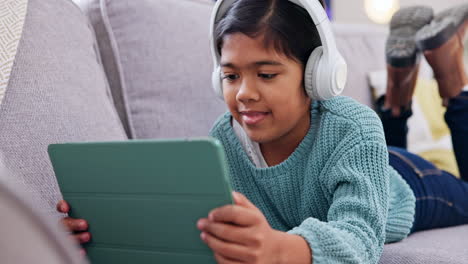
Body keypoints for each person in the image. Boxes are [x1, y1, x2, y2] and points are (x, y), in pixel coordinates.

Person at [57, 1, 468, 263]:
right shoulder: (222, 140)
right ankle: (397, 90)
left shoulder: (353, 129)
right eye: (231, 75)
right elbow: (198, 227)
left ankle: (451, 82)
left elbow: (359, 237)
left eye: (266, 74)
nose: (245, 93)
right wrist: (113, 223)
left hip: (405, 184)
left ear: (316, 76)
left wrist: (281, 250)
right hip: (359, 158)